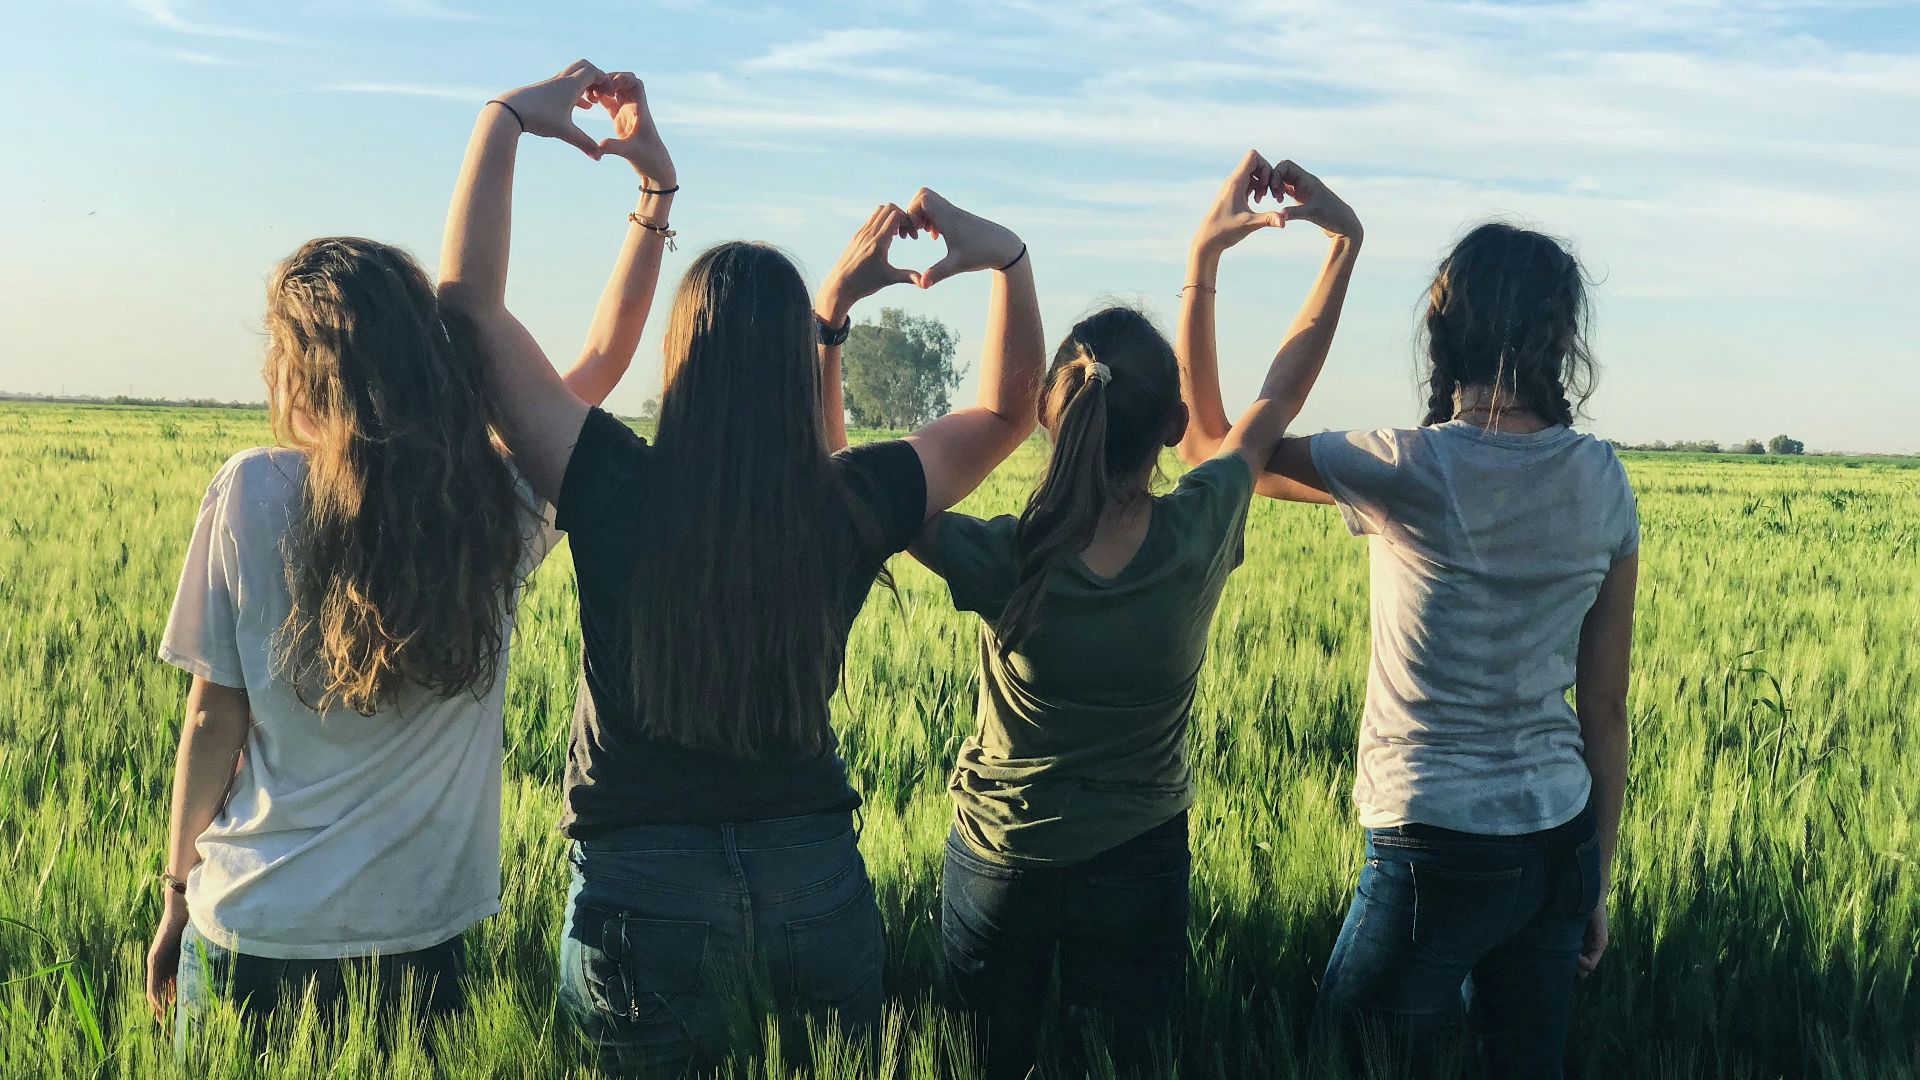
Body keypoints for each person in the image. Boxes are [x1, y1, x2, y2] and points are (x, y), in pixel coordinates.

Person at [436, 61, 1045, 1077]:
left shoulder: (613, 483)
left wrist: (503, 120)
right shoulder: (851, 501)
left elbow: (469, 315)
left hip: (642, 895)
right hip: (817, 884)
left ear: (683, 359)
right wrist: (1010, 262)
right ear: (790, 371)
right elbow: (1008, 410)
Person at [144, 119, 663, 1048]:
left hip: (252, 929)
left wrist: (178, 891)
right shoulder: (491, 507)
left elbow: (210, 719)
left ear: (298, 373)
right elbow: (602, 363)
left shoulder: (251, 490)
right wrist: (651, 199)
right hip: (420, 947)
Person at [908, 151, 1361, 1080]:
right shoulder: (1200, 527)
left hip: (1004, 860)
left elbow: (859, 492)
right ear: (1169, 426)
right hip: (1141, 861)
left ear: (1049, 419)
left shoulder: (1006, 554)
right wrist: (1327, 248)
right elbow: (1276, 393)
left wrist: (832, 322)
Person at [1178, 209, 1639, 1077]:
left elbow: (1210, 449)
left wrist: (1204, 261)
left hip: (1433, 846)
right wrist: (1596, 884)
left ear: (1444, 329)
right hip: (1560, 846)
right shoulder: (1603, 479)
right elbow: (1604, 712)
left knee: (1350, 1056)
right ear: (1561, 337)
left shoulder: (1406, 464)